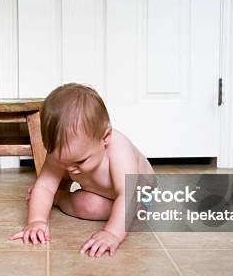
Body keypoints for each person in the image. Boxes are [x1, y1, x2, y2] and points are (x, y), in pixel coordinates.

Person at [9, 83, 155, 257]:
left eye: (80, 161)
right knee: (52, 180)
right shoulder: (64, 151)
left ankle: (60, 198)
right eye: (63, 161)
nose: (71, 169)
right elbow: (45, 185)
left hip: (137, 196)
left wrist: (112, 234)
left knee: (89, 205)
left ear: (105, 138)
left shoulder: (119, 150)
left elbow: (128, 195)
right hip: (103, 191)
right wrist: (36, 221)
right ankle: (57, 193)